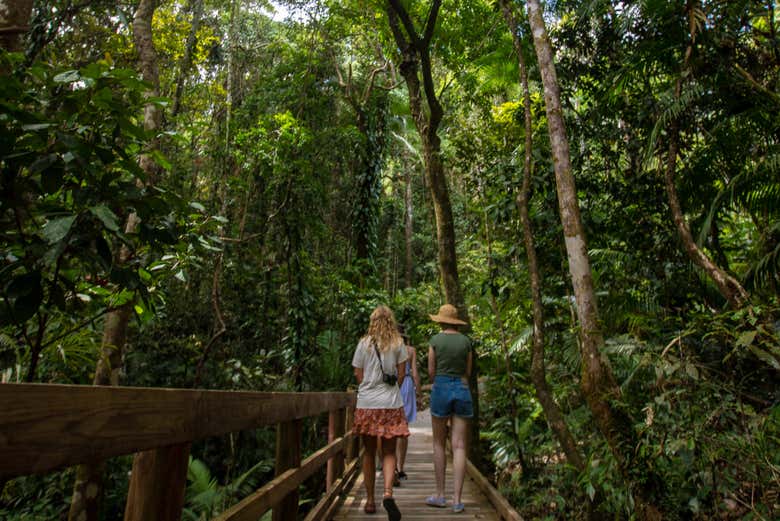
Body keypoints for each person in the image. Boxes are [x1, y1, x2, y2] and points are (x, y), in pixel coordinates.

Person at [352, 305, 409, 521]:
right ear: (391, 321)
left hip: (367, 403)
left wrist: (369, 387)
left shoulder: (363, 343)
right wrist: (390, 389)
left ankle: (369, 501)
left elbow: (358, 374)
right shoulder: (398, 342)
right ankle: (387, 493)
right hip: (391, 404)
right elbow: (402, 374)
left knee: (368, 452)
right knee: (388, 451)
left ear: (372, 321)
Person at [424, 304, 472, 514]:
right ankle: (457, 500)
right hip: (462, 388)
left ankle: (440, 495)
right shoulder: (466, 342)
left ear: (441, 321)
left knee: (438, 442)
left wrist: (441, 381)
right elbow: (468, 371)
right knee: (459, 445)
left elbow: (431, 371)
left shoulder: (435, 341)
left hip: (441, 387)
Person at [395, 324, 420, 482]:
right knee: (403, 428)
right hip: (407, 385)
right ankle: (401, 467)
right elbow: (414, 371)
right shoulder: (410, 350)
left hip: (394, 385)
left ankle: (390, 465)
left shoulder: (390, 349)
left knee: (391, 426)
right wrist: (418, 392)